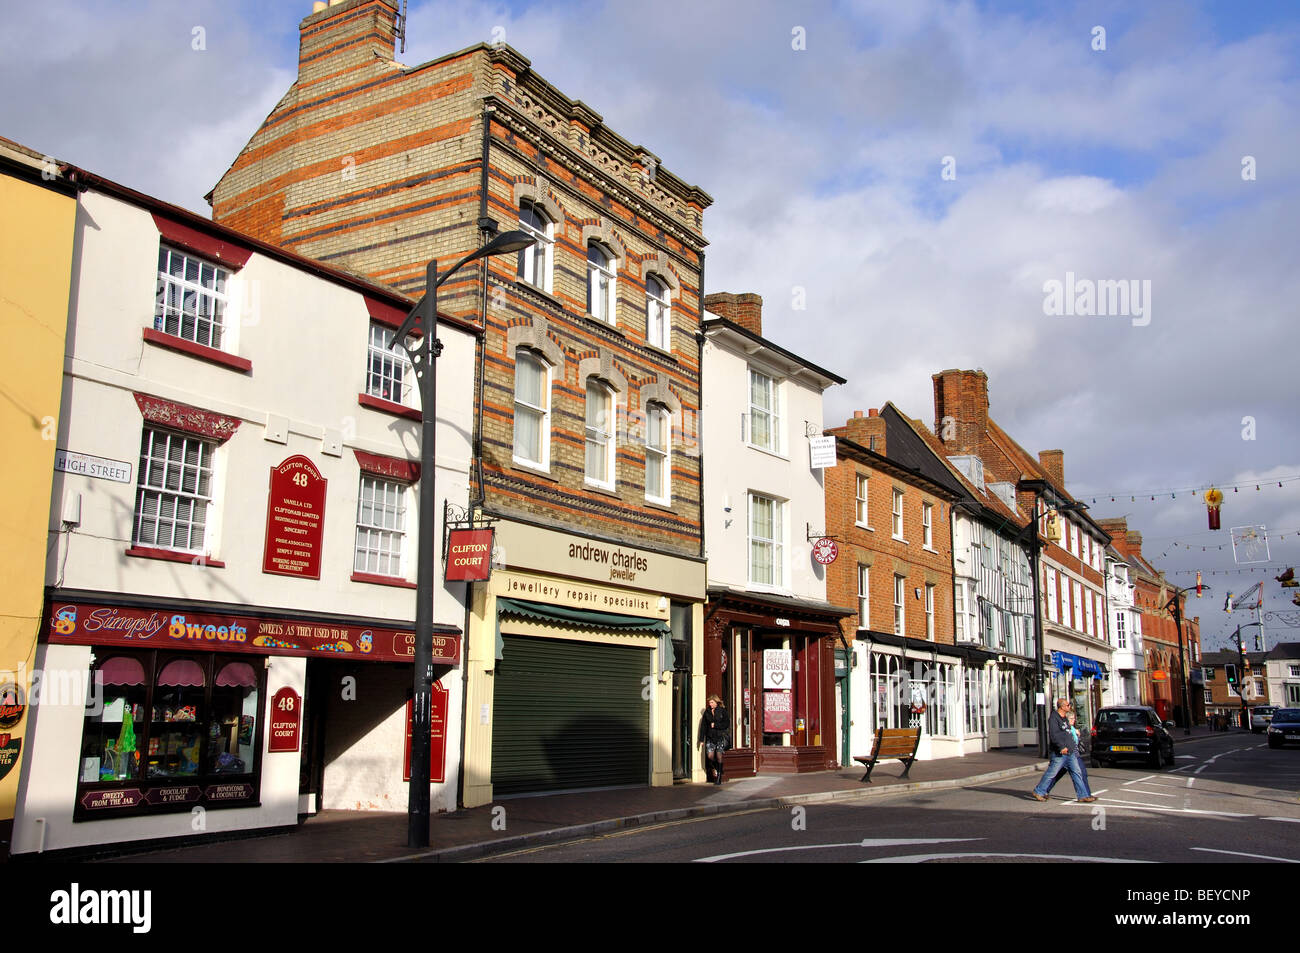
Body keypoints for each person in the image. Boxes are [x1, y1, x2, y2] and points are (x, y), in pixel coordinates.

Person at [1031, 697, 1095, 802]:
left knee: (1077, 772)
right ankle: (1039, 791)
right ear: (1062, 707)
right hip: (1060, 752)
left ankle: (1083, 795)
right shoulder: (1054, 718)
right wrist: (1061, 747)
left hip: (1070, 752)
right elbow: (1054, 735)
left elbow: (1067, 732)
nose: (1069, 706)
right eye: (1067, 705)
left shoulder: (1064, 717)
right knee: (1052, 773)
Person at [698, 694, 730, 785]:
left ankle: (719, 777)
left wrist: (716, 725)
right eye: (709, 703)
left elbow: (726, 723)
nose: (710, 704)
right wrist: (701, 739)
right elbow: (703, 726)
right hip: (710, 737)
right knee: (710, 756)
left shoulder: (722, 711)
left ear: (716, 702)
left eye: (712, 702)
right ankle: (718, 767)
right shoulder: (707, 712)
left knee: (719, 755)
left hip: (719, 737)